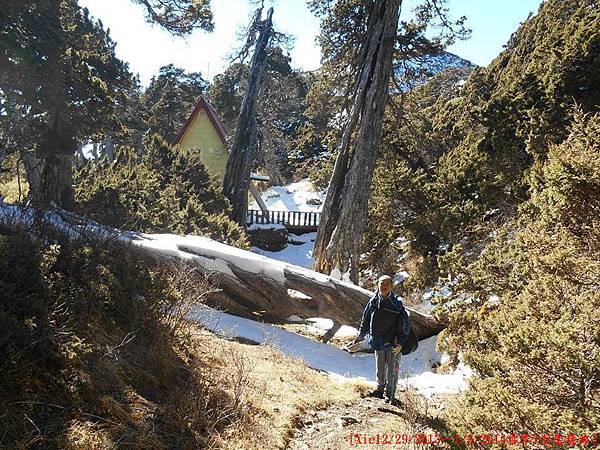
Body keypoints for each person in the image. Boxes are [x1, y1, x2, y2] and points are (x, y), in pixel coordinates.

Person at [351, 275, 411, 405]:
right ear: (377, 285)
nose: (383, 287)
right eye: (381, 284)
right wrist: (361, 334)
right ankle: (379, 390)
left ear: (391, 286)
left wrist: (400, 342)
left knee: (392, 369)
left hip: (392, 342)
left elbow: (405, 325)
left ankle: (391, 394)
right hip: (378, 340)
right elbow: (366, 319)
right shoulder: (373, 301)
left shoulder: (397, 304)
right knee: (380, 367)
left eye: (386, 284)